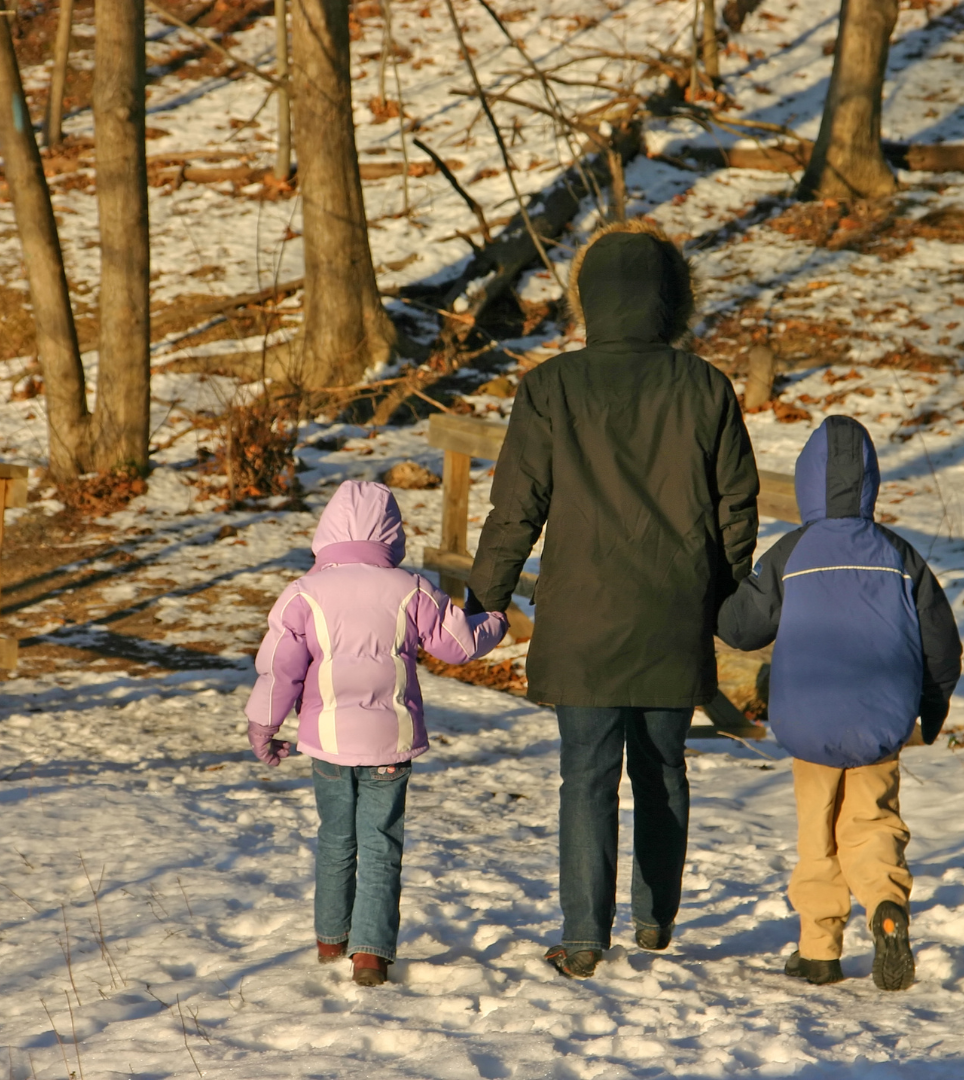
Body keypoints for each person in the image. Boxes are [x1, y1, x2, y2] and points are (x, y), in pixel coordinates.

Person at [467, 220, 760, 979]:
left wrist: (483, 598)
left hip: (584, 618)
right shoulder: (704, 386)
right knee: (663, 770)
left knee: (586, 776)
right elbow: (737, 503)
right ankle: (656, 919)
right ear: (672, 298)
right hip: (673, 612)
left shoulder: (550, 387)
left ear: (590, 297)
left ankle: (584, 934)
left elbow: (516, 507)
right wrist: (724, 593)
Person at [717, 415, 962, 990]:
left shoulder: (791, 552)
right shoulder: (900, 555)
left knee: (818, 830)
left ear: (807, 482)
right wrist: (932, 707)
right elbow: (940, 643)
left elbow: (741, 630)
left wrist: (723, 590)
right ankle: (885, 907)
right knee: (873, 821)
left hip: (809, 718)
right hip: (881, 716)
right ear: (871, 481)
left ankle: (819, 950)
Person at [245, 481, 507, 986]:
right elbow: (457, 645)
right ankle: (370, 954)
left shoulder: (303, 593)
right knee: (382, 844)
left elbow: (280, 670)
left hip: (329, 743)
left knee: (336, 839)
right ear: (392, 532)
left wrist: (264, 727)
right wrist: (492, 620)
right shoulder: (409, 588)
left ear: (327, 531)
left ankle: (330, 937)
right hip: (390, 740)